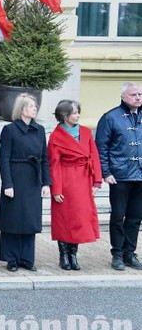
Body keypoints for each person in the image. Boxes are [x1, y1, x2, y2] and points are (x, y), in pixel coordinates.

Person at [0, 94, 51, 272]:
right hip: (15, 176)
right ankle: (11, 258)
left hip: (33, 179)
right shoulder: (10, 130)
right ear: (21, 109)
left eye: (35, 106)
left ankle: (27, 258)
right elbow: (3, 158)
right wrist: (7, 184)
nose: (35, 108)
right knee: (13, 218)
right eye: (30, 106)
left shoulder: (40, 130)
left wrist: (45, 182)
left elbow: (44, 157)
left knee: (30, 219)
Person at [48, 99, 101, 271]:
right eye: (74, 112)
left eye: (78, 112)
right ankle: (64, 255)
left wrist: (97, 181)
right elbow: (53, 164)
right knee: (65, 219)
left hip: (84, 179)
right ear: (64, 115)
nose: (78, 115)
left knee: (79, 218)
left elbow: (94, 157)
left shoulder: (85, 132)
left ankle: (73, 255)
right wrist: (56, 189)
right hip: (66, 180)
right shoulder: (56, 136)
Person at [95, 82, 142, 271]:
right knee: (117, 216)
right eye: (133, 94)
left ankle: (130, 252)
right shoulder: (110, 117)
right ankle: (117, 254)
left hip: (140, 175)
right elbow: (101, 147)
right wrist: (106, 172)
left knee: (135, 217)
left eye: (140, 94)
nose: (138, 97)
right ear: (123, 97)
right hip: (120, 175)